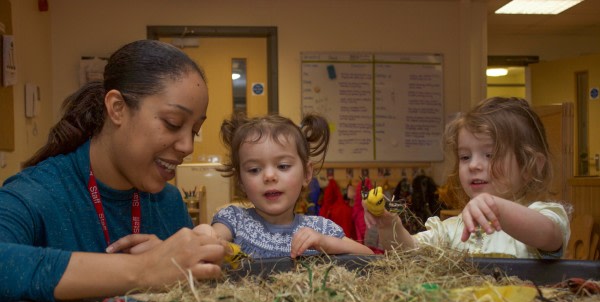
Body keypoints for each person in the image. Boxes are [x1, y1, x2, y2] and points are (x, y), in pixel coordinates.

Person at [0, 40, 226, 302]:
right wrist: (145, 269)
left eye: (195, 131)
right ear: (117, 108)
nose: (187, 146)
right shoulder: (37, 193)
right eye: (172, 123)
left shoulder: (169, 203)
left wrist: (204, 258)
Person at [364, 97, 570, 259]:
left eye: (490, 155)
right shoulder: (453, 229)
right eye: (465, 157)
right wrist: (389, 224)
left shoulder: (544, 215)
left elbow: (549, 236)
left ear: (530, 166)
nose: (473, 165)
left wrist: (495, 208)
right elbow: (408, 253)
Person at [211, 113, 374, 259]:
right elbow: (212, 239)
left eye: (283, 166)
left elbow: (370, 257)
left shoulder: (320, 228)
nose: (269, 176)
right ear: (240, 180)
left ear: (307, 174)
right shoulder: (234, 220)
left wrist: (325, 243)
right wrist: (210, 240)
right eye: (254, 169)